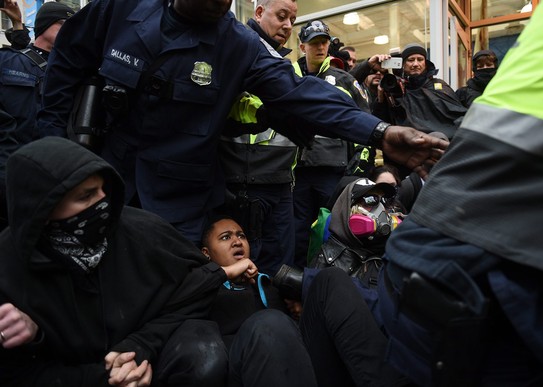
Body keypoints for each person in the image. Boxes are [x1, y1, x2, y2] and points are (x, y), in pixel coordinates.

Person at [284, 0, 543, 385]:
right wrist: (381, 145)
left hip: (451, 266)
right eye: (406, 62)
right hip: (432, 229)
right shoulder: (367, 86)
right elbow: (366, 114)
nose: (411, 67)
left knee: (336, 284)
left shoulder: (445, 92)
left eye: (416, 61)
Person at [36, 0, 448, 247]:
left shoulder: (240, 44)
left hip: (178, 203)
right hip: (97, 184)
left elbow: (300, 93)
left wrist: (378, 132)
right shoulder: (122, 10)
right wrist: (55, 155)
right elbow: (66, 65)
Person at [0, 137, 264, 386]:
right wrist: (38, 341)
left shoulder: (142, 231)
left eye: (103, 190)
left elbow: (192, 295)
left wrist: (140, 346)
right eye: (85, 197)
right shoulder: (8, 269)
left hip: (150, 364)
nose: (102, 203)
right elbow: (21, 373)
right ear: (43, 210)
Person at [218, 0, 299, 276]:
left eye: (292, 19)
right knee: (237, 269)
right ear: (260, 12)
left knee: (280, 268)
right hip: (235, 182)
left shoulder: (292, 69)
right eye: (282, 16)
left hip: (279, 186)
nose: (288, 26)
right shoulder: (232, 53)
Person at [292, 19, 373, 268]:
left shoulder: (344, 80)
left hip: (333, 172)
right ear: (302, 45)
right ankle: (298, 284)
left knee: (333, 230)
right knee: (297, 233)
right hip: (296, 173)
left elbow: (366, 122)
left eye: (324, 43)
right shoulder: (287, 76)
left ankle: (330, 279)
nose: (320, 48)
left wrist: (358, 168)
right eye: (314, 43)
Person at [200, 215, 316, 387]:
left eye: (241, 236)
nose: (237, 241)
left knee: (331, 280)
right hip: (233, 369)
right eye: (226, 237)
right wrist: (225, 273)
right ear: (206, 254)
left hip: (285, 370)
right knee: (270, 322)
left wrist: (300, 314)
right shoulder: (203, 289)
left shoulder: (270, 285)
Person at [0, 1, 74, 231]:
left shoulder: (73, 70)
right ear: (44, 26)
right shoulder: (8, 61)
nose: (70, 30)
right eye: (64, 23)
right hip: (8, 167)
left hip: (52, 173)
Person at [376, 43, 466, 140]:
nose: (415, 64)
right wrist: (381, 98)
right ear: (403, 64)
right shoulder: (395, 90)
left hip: (441, 143)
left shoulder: (438, 85)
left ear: (425, 63)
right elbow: (382, 122)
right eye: (410, 60)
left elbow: (458, 116)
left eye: (420, 59)